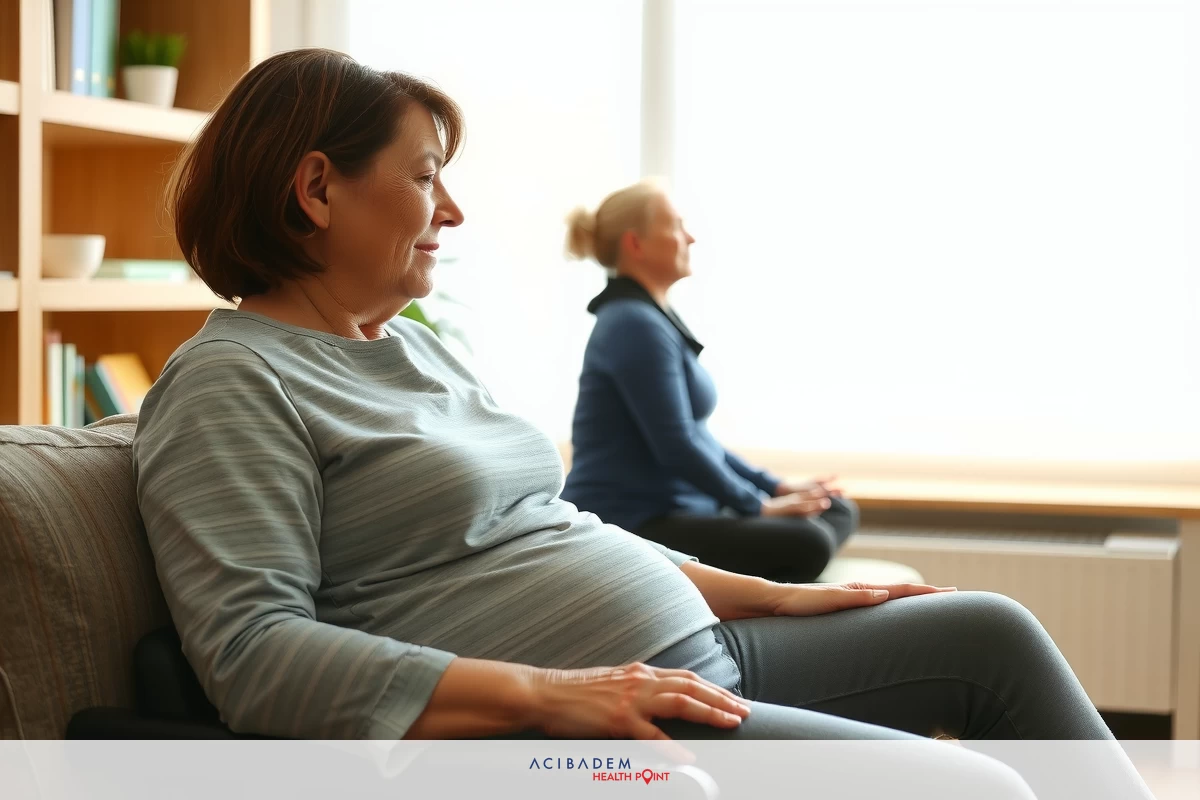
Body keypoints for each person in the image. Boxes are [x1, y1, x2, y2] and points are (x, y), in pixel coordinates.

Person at [133, 48, 1151, 798]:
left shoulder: (414, 349)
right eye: (426, 174)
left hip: (693, 655)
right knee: (977, 788)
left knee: (990, 629)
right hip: (596, 726)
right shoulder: (232, 382)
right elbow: (252, 652)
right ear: (317, 189)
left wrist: (765, 594)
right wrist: (548, 692)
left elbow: (554, 525)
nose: (452, 210)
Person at [560, 180, 853, 583]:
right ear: (636, 243)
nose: (691, 237)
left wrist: (774, 487)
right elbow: (677, 443)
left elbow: (697, 437)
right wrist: (757, 505)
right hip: (632, 522)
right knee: (809, 542)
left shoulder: (651, 319)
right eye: (676, 226)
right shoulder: (632, 323)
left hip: (682, 509)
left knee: (837, 509)